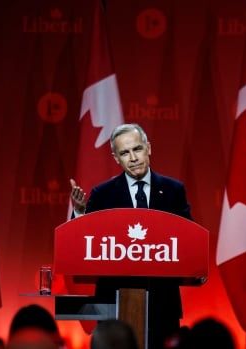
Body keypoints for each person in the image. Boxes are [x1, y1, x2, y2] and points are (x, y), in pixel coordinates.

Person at [70, 123, 192, 349]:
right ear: (116, 158)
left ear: (148, 148)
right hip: (114, 304)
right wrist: (79, 212)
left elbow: (188, 240)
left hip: (162, 302)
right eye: (125, 153)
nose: (133, 157)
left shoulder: (174, 190)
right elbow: (85, 245)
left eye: (137, 149)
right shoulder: (103, 194)